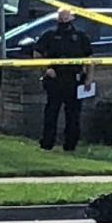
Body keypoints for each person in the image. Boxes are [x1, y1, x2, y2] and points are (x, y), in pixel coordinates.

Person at [34, 8, 94, 152]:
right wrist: (46, 69)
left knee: (73, 115)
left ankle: (71, 145)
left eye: (66, 20)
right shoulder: (49, 35)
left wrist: (89, 78)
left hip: (74, 80)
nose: (64, 23)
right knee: (51, 113)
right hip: (55, 80)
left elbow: (90, 59)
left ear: (72, 20)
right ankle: (47, 144)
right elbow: (37, 53)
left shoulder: (80, 37)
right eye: (61, 20)